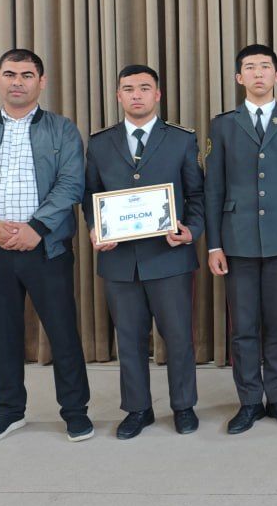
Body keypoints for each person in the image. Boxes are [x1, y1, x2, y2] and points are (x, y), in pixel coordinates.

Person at [0, 48, 91, 444]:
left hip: (47, 250)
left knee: (63, 334)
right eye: (10, 74)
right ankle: (9, 412)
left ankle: (75, 412)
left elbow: (71, 184)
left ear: (41, 82)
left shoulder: (62, 129)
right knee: (2, 337)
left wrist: (37, 228)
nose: (18, 82)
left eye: (27, 75)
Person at [84, 64, 204, 439]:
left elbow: (197, 194)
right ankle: (138, 409)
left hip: (169, 257)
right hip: (120, 261)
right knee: (129, 339)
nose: (136, 94)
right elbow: (90, 196)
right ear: (118, 96)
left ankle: (183, 405)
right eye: (128, 88)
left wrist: (192, 230)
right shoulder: (100, 143)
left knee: (179, 337)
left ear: (158, 94)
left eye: (144, 88)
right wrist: (94, 227)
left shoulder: (182, 139)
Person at [204, 45, 277, 434]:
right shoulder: (223, 125)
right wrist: (214, 244)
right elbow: (213, 189)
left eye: (265, 67)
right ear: (239, 78)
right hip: (237, 242)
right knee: (244, 327)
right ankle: (250, 401)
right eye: (249, 67)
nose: (257, 73)